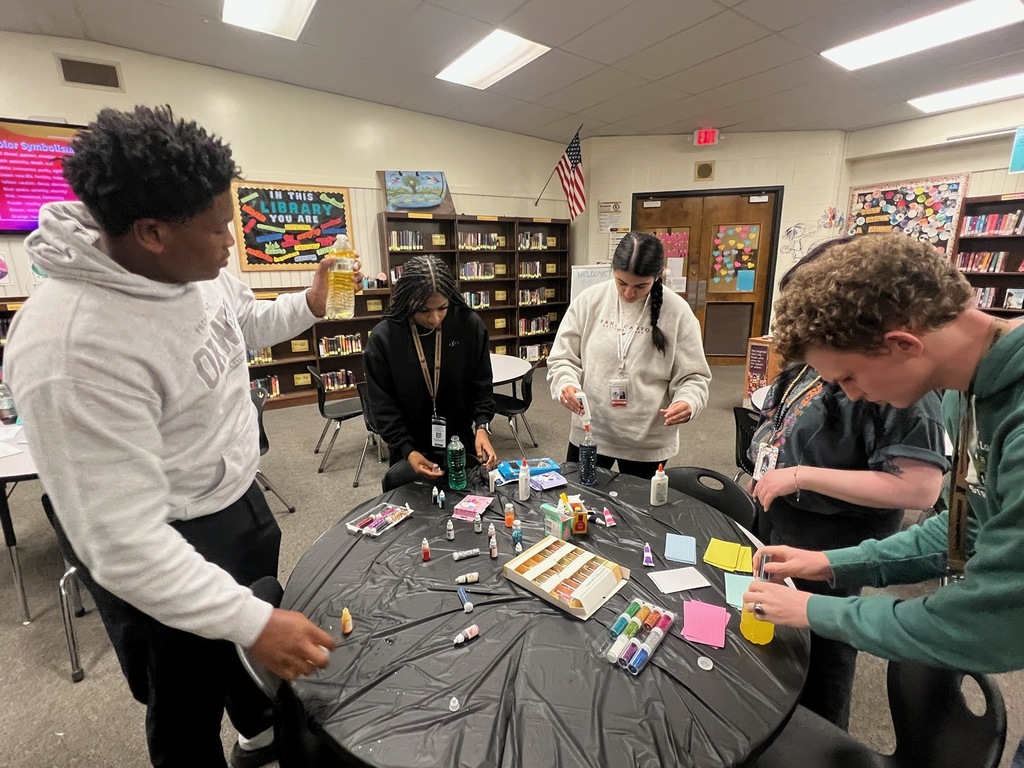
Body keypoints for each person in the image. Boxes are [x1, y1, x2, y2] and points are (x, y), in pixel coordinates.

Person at [4, 105, 342, 768]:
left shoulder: (198, 269)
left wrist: (306, 307)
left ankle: (257, 734)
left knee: (241, 658)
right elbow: (124, 546)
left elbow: (237, 328)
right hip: (164, 541)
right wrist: (256, 624)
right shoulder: (68, 350)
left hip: (235, 503)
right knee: (184, 702)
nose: (230, 244)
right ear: (152, 232)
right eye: (220, 229)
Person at [739, 233, 1024, 759]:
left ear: (902, 344)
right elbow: (965, 531)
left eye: (848, 377)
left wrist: (818, 612)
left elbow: (992, 619)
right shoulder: (972, 392)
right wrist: (830, 564)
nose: (848, 395)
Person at [747, 242, 948, 729]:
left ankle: (819, 737)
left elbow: (920, 489)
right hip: (785, 515)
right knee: (776, 631)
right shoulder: (816, 361)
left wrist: (802, 474)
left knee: (825, 654)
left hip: (835, 532)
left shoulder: (897, 382)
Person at [547, 231, 711, 478]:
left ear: (658, 276)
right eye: (621, 283)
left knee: (639, 513)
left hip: (647, 439)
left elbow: (694, 376)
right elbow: (562, 358)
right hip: (592, 429)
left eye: (640, 286)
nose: (628, 294)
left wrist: (689, 402)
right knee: (580, 504)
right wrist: (566, 384)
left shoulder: (678, 312)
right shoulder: (589, 301)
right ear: (613, 271)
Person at [364, 254, 497, 484]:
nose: (435, 318)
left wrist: (482, 427)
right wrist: (407, 450)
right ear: (407, 303)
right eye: (424, 310)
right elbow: (382, 406)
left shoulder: (469, 326)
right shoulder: (383, 339)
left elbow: (481, 384)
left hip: (460, 446)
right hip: (409, 452)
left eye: (442, 308)